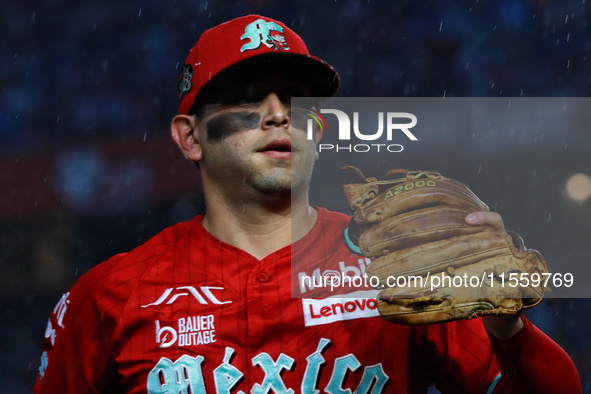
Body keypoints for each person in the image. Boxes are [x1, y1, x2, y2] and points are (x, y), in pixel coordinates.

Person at [34, 14, 581, 393]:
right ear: (189, 137)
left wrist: (509, 330)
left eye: (296, 100)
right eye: (250, 96)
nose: (278, 113)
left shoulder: (397, 264)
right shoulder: (111, 295)